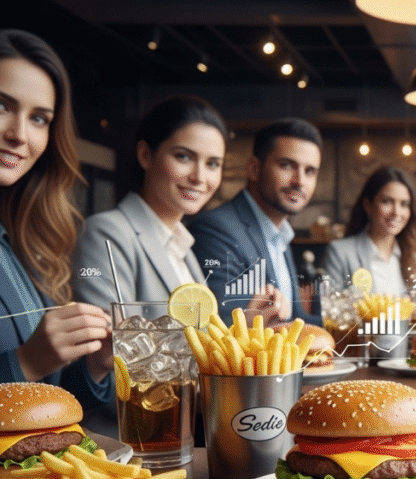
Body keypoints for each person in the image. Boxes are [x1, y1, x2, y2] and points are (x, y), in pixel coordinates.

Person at [70, 95, 228, 436]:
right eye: (184, 157)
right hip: (130, 439)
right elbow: (116, 357)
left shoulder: (183, 245)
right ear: (146, 155)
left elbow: (200, 342)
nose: (200, 177)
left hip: (185, 429)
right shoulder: (108, 233)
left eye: (213, 164)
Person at [0, 29, 111, 407]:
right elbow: (26, 373)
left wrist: (96, 362)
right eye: (2, 106)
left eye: (39, 119)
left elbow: (49, 405)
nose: (19, 135)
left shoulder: (22, 239)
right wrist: (25, 363)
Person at [189, 118, 323, 326]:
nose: (300, 181)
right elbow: (227, 325)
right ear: (253, 168)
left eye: (310, 171)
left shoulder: (280, 234)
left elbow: (297, 321)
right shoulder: (215, 230)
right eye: (286, 165)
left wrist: (354, 325)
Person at [323, 166, 416, 295]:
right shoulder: (339, 253)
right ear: (368, 205)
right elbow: (331, 309)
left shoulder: (414, 256)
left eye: (404, 204)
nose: (396, 212)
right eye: (387, 201)